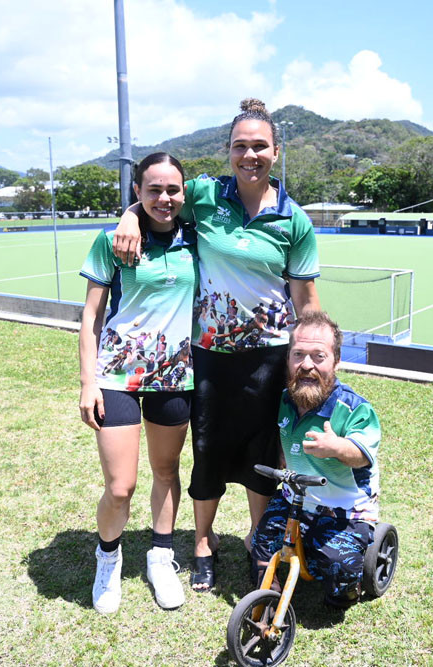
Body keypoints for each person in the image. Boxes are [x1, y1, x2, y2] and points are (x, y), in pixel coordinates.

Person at [113, 98, 321, 593]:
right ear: (228, 151)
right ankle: (203, 542)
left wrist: (311, 360)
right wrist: (127, 215)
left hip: (269, 357)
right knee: (206, 451)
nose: (250, 156)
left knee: (260, 452)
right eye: (239, 147)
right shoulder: (207, 195)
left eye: (260, 147)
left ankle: (257, 539)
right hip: (207, 354)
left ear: (276, 151)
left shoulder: (294, 220)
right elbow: (160, 195)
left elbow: (306, 300)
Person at [78, 152, 198, 614]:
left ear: (183, 193)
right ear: (137, 192)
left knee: (167, 472)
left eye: (172, 190)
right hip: (118, 376)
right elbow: (90, 316)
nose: (163, 198)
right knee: (121, 486)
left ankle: (160, 557)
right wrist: (89, 382)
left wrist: (132, 213)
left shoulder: (197, 236)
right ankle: (107, 557)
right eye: (153, 190)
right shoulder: (112, 241)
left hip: (174, 376)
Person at [250, 310, 382, 609]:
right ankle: (267, 592)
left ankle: (347, 589)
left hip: (344, 509)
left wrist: (337, 447)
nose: (307, 365)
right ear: (288, 359)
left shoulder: (353, 408)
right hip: (295, 497)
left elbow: (362, 456)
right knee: (261, 541)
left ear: (336, 361)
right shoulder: (285, 400)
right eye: (298, 355)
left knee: (337, 567)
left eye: (318, 356)